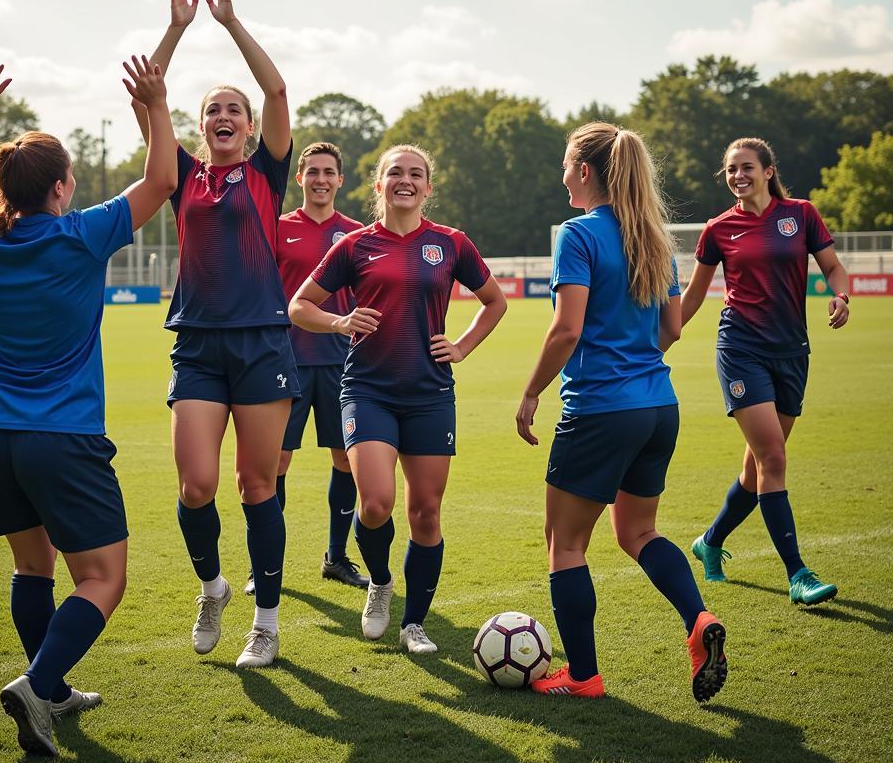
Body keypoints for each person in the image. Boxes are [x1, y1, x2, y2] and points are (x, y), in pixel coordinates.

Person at [0, 56, 177, 756]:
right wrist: (157, 102)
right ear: (64, 187)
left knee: (32, 568)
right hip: (61, 439)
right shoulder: (81, 234)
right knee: (104, 577)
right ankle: (39, 684)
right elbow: (162, 179)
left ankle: (54, 690)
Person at [516, 122, 726, 703]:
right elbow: (671, 329)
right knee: (639, 532)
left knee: (565, 546)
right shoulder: (654, 239)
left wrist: (532, 391)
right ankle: (698, 619)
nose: (562, 177)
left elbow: (566, 330)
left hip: (600, 411)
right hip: (658, 407)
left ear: (584, 172)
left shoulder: (577, 235)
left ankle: (583, 677)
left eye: (566, 166)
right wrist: (633, 365)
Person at [130, 0, 296, 668]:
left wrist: (229, 22)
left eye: (235, 108)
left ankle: (266, 621)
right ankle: (212, 587)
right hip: (197, 345)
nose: (225, 115)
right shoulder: (180, 175)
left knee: (256, 486)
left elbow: (279, 90)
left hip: (262, 342)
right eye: (213, 110)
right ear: (201, 126)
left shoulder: (266, 170)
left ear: (250, 126)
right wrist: (175, 28)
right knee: (196, 485)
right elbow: (148, 96)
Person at [289, 144, 507, 655]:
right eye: (395, 173)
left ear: (428, 188)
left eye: (416, 174)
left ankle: (414, 624)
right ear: (378, 185)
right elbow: (299, 305)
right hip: (367, 390)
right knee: (376, 503)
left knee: (426, 513)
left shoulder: (452, 244)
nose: (405, 180)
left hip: (430, 394)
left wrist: (463, 346)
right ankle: (381, 583)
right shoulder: (354, 246)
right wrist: (340, 321)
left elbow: (493, 302)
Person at [681, 137, 850, 605]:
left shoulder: (801, 214)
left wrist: (841, 296)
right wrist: (662, 338)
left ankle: (710, 541)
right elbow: (694, 294)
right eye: (731, 169)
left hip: (792, 352)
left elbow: (833, 267)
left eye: (747, 167)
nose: (738, 175)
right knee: (773, 458)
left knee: (757, 467)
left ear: (768, 171)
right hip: (740, 350)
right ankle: (798, 575)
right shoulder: (717, 228)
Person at [243, 141, 367, 598]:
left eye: (328, 172)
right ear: (299, 179)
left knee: (346, 458)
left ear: (340, 180)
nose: (320, 179)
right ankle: (264, 564)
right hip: (283, 362)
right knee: (275, 463)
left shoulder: (357, 233)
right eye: (312, 171)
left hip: (343, 363)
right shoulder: (275, 229)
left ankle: (336, 557)